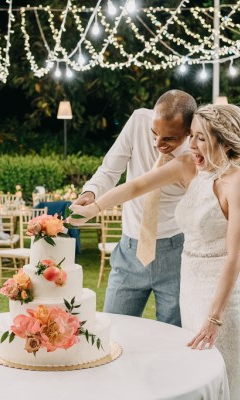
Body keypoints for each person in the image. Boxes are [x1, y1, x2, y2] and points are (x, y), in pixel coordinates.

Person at [71, 104, 240, 398]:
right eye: (191, 136)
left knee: (228, 373)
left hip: (224, 296)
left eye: (201, 138)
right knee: (198, 370)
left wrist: (215, 316)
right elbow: (136, 186)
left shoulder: (238, 182)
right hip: (190, 287)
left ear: (224, 141)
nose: (191, 145)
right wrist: (95, 207)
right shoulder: (189, 165)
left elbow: (235, 257)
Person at [73, 89, 197, 326]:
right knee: (116, 330)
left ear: (189, 131)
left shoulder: (194, 153)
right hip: (129, 250)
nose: (157, 143)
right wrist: (90, 193)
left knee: (174, 336)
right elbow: (110, 169)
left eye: (169, 139)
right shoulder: (139, 119)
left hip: (176, 253)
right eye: (154, 133)